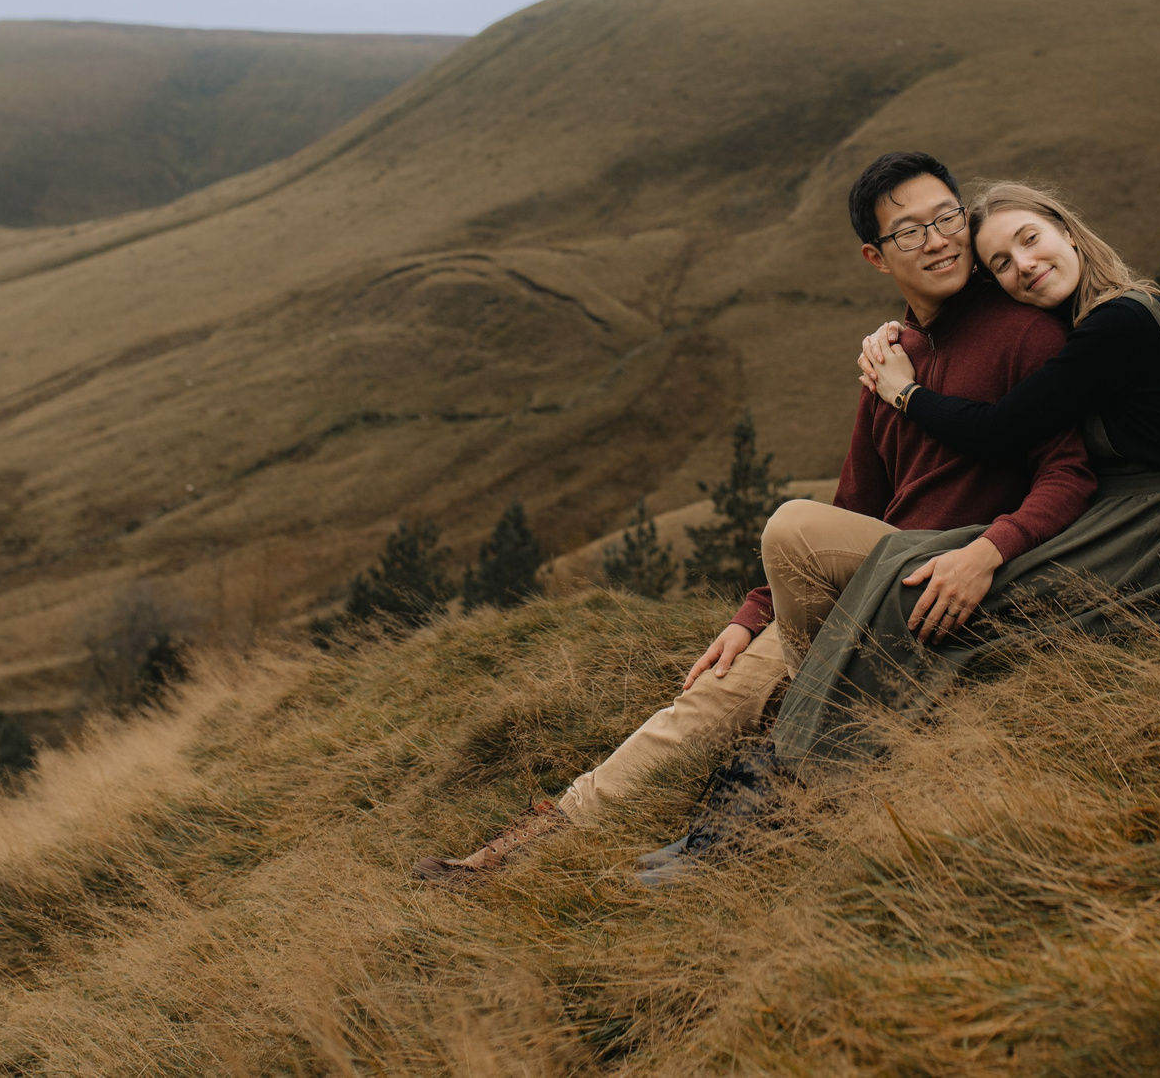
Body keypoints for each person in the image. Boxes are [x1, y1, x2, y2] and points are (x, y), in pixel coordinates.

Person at [414, 152, 1096, 882]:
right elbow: (858, 505)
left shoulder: (1024, 333)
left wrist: (993, 548)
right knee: (707, 699)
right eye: (908, 231)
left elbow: (1069, 469)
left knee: (791, 527)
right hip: (865, 582)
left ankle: (803, 761)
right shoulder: (890, 359)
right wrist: (751, 615)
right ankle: (506, 858)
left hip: (937, 578)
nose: (937, 239)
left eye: (946, 217)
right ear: (875, 256)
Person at [761, 178, 1160, 775]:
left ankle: (823, 763)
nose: (1026, 266)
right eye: (1002, 263)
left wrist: (905, 392)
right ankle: (814, 750)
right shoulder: (1087, 322)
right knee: (922, 587)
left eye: (1031, 239)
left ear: (1066, 228)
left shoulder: (1122, 321)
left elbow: (998, 430)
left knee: (930, 599)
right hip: (1132, 517)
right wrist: (904, 331)